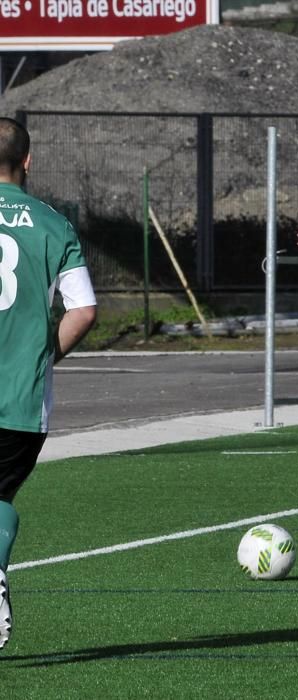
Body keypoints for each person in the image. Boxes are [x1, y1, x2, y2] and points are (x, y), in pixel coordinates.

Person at [0, 117, 98, 649]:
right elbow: (82, 311)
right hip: (19, 393)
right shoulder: (52, 224)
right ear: (28, 162)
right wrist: (44, 353)